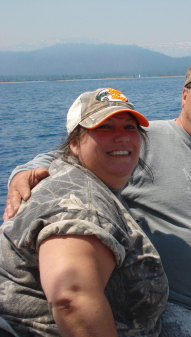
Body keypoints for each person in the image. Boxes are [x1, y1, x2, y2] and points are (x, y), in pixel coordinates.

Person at [2, 56, 191, 337]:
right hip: (171, 307)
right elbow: (71, 157)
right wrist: (23, 173)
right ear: (185, 95)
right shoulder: (139, 140)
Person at [0, 88, 169, 337]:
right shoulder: (81, 203)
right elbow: (72, 300)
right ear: (75, 142)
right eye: (105, 127)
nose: (121, 137)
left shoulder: (84, 176)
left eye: (130, 127)